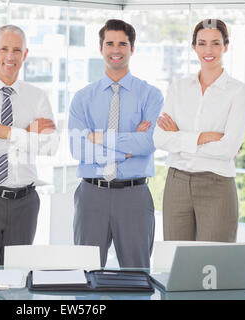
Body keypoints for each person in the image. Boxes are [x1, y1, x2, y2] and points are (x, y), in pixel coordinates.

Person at [68, 19, 163, 268]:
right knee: (84, 274)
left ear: (132, 49)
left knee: (137, 274)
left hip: (134, 196)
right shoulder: (82, 98)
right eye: (109, 43)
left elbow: (150, 143)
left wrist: (101, 139)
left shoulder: (151, 95)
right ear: (101, 48)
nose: (116, 49)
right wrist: (128, 150)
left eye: (123, 43)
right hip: (91, 195)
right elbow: (78, 149)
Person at [0, 25, 59, 266]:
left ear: (25, 54)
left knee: (17, 281)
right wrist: (27, 134)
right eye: (4, 48)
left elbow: (49, 146)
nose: (10, 56)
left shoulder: (38, 96)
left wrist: (2, 131)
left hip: (25, 203)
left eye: (17, 50)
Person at [153, 19, 245, 242]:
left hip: (217, 184)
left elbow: (228, 149)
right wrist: (204, 137)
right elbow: (159, 138)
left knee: (213, 261)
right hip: (176, 183)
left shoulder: (238, 91)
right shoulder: (178, 88)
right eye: (202, 43)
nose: (208, 50)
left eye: (215, 43)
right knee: (175, 260)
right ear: (194, 47)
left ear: (225, 46)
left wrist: (181, 139)